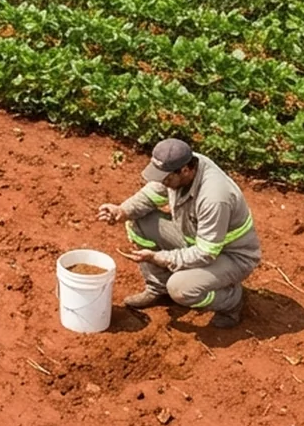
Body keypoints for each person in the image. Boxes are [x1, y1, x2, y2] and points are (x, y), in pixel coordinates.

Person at [96, 138, 261, 329]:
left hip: (230, 256)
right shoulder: (179, 164)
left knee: (181, 288)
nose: (163, 182)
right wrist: (122, 211)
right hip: (196, 240)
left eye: (166, 179)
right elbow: (151, 195)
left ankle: (231, 301)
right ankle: (159, 288)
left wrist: (161, 258)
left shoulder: (214, 198)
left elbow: (206, 253)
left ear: (185, 171)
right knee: (137, 220)